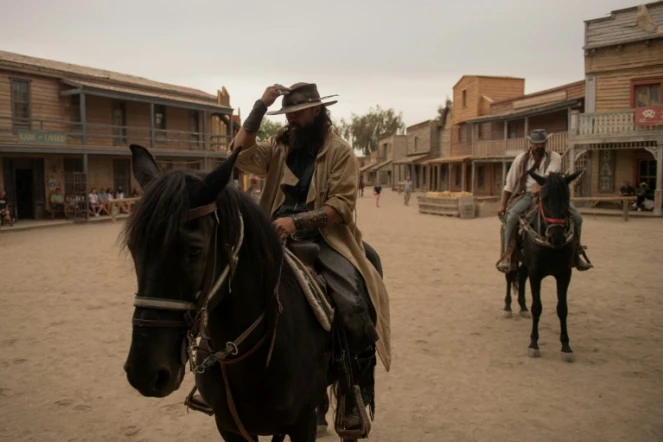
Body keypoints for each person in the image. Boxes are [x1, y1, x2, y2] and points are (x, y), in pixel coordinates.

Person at [230, 82, 391, 430]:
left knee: (351, 305)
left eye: (297, 113)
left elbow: (342, 207)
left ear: (317, 111)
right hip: (270, 236)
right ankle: (215, 376)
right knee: (226, 283)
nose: (291, 121)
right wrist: (261, 105)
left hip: (324, 238)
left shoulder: (341, 152)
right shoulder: (278, 146)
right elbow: (239, 154)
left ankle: (351, 394)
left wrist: (296, 221)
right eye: (286, 115)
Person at [496, 129, 592, 273]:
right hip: (527, 194)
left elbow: (550, 176)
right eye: (536, 143)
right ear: (531, 143)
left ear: (546, 142)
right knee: (511, 218)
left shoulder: (555, 157)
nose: (539, 146)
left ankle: (576, 254)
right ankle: (507, 256)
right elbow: (509, 184)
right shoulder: (520, 159)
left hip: (550, 193)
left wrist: (539, 185)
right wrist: (503, 204)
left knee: (577, 218)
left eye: (542, 143)